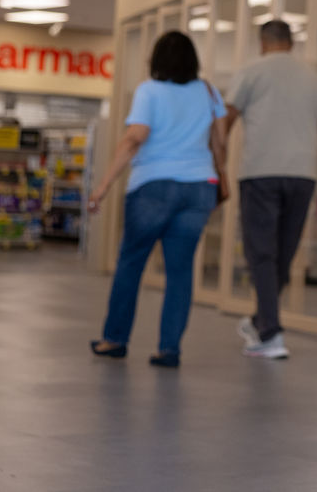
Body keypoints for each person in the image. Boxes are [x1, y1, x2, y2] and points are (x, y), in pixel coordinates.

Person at [88, 31, 228, 367]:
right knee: (180, 271)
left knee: (131, 263)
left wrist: (103, 186)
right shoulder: (208, 91)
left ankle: (115, 339)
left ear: (156, 61)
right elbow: (220, 137)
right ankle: (169, 349)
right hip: (198, 187)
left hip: (154, 186)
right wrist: (219, 174)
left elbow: (136, 137)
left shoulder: (149, 91)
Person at [225, 19, 317, 360]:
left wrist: (215, 165)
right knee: (283, 255)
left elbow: (224, 121)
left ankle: (270, 333)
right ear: (291, 43)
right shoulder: (315, 80)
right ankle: (261, 320)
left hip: (260, 172)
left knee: (262, 253)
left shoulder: (250, 71)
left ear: (263, 42)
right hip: (302, 176)